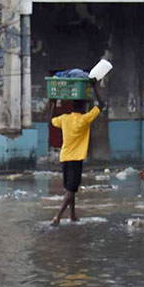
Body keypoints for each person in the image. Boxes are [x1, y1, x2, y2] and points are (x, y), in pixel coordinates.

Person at [50, 81, 105, 225]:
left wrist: (54, 102)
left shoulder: (64, 119)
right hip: (76, 159)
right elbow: (102, 104)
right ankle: (58, 216)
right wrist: (95, 87)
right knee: (71, 189)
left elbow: (51, 120)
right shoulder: (84, 119)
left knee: (70, 188)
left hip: (64, 157)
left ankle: (73, 216)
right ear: (83, 107)